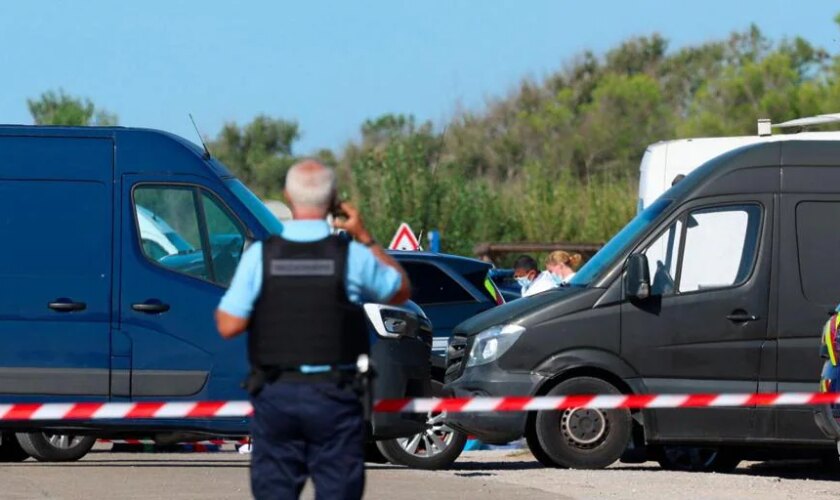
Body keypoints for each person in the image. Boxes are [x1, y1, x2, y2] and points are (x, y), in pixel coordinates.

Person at [215, 160, 411, 500]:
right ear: (334, 198)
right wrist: (366, 238)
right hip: (335, 398)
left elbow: (228, 325)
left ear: (287, 197)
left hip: (277, 395)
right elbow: (400, 291)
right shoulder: (351, 256)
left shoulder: (261, 257)